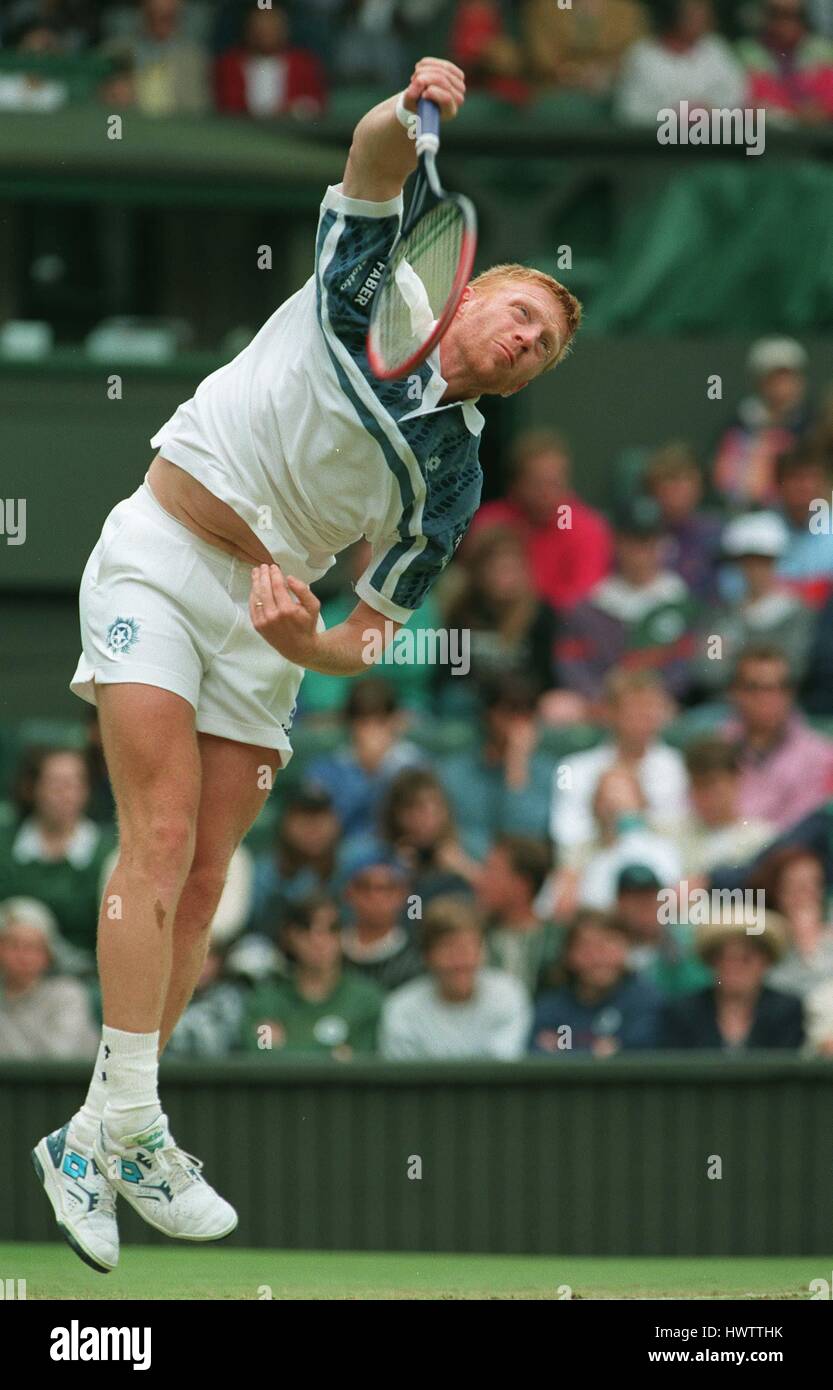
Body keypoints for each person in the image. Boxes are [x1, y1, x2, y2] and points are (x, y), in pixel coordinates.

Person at [36, 56, 583, 1274]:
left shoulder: (452, 481)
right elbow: (374, 159)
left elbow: (362, 641)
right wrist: (406, 106)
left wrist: (304, 645)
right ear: (470, 283)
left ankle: (95, 1134)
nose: (523, 339)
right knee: (160, 839)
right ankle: (132, 1122)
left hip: (265, 627)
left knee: (208, 874)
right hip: (163, 556)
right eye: (518, 312)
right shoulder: (365, 276)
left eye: (541, 347)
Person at [549, 669, 689, 915]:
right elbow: (569, 837)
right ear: (610, 713)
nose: (645, 717)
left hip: (665, 871)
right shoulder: (575, 768)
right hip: (590, 862)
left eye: (651, 708)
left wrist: (638, 810)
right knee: (561, 902)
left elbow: (679, 835)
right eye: (634, 709)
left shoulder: (679, 767)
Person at [551, 495, 699, 708]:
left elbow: (688, 665)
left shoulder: (684, 603)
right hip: (599, 704)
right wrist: (599, 698)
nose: (640, 551)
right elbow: (570, 662)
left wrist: (652, 698)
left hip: (662, 706)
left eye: (648, 541)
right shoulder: (589, 606)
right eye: (632, 540)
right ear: (616, 542)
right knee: (558, 707)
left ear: (661, 543)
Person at [468, 428, 612, 612]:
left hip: (558, 626)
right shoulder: (492, 521)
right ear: (516, 484)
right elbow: (471, 584)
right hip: (492, 618)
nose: (547, 493)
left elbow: (583, 598)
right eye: (537, 483)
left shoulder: (586, 527)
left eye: (555, 483)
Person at [380, 895, 531, 1059]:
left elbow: (499, 1069)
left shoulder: (508, 994)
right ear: (427, 956)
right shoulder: (401, 1009)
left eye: (469, 949)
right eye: (449, 950)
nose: (460, 962)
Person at [0, 746, 114, 962]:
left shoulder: (108, 853)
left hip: (84, 978)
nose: (65, 794)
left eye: (74, 784)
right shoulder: (4, 845)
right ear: (32, 788)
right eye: (55, 784)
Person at [689, 510, 815, 697]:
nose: (755, 569)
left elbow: (794, 669)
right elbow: (707, 670)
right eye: (748, 561)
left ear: (775, 562)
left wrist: (732, 657)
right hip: (725, 707)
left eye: (763, 561)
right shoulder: (720, 615)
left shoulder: (798, 614)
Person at [241, 895, 383, 1060]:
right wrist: (332, 1055)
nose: (319, 940)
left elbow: (361, 1069)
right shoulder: (264, 1000)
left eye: (332, 929)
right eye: (307, 929)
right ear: (289, 936)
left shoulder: (366, 1000)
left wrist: (283, 1047)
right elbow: (261, 1056)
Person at [439, 675, 556, 860]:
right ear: (488, 714)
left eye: (527, 713)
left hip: (524, 879)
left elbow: (529, 841)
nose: (519, 723)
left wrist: (516, 768)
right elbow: (452, 840)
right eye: (511, 711)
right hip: (470, 872)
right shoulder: (454, 773)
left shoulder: (550, 773)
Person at [724, 644, 833, 831]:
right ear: (735, 693)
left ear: (790, 693)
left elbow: (806, 827)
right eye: (755, 687)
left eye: (778, 687)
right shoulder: (716, 746)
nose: (767, 697)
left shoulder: (820, 755)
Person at [305, 678, 423, 844]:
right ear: (350, 724)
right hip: (345, 854)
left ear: (395, 721)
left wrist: (379, 769)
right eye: (363, 722)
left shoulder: (415, 765)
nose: (370, 732)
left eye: (379, 722)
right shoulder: (326, 769)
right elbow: (324, 831)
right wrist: (366, 770)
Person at [530, 910, 663, 1056]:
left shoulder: (647, 1002)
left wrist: (564, 1050)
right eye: (588, 948)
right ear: (569, 955)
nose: (599, 958)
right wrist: (597, 1051)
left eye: (608, 947)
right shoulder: (550, 1006)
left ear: (627, 950)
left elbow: (637, 1055)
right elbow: (537, 1056)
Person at [662, 913, 804, 1049]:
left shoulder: (787, 1011)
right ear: (712, 962)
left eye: (745, 959)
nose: (733, 967)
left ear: (765, 962)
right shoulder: (684, 1013)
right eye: (724, 958)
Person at [711, 337, 811, 510]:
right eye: (775, 378)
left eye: (788, 377)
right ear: (759, 381)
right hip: (744, 512)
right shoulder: (738, 425)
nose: (782, 386)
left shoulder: (813, 425)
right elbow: (722, 477)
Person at [615, 0, 745, 125]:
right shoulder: (643, 56)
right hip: (657, 143)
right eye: (693, 12)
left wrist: (709, 112)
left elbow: (737, 99)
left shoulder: (716, 49)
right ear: (673, 14)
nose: (702, 17)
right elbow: (629, 111)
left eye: (703, 11)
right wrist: (674, 115)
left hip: (714, 140)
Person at [0, 898, 98, 1060]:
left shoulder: (67, 995)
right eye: (13, 945)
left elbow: (57, 1060)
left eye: (32, 947)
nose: (23, 956)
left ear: (48, 954)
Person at [674, 738, 774, 878]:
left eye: (712, 785)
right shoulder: (672, 834)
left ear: (735, 781)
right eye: (697, 786)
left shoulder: (762, 839)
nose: (705, 796)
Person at [477, 835, 562, 994]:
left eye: (491, 871)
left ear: (521, 884)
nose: (481, 880)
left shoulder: (560, 941)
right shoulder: (475, 937)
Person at [213, 4, 326, 119]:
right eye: (259, 28)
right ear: (248, 30)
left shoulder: (303, 64)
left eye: (271, 27)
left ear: (283, 29)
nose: (264, 34)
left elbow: (315, 104)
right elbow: (226, 105)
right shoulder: (230, 64)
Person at [642, 442, 723, 601]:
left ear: (699, 486)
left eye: (685, 480)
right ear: (653, 488)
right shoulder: (638, 534)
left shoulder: (716, 535)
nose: (677, 490)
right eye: (670, 480)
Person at [750, 845, 833, 997]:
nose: (808, 894)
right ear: (776, 891)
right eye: (797, 886)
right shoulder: (760, 938)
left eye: (815, 884)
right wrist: (805, 945)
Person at [340, 848, 424, 992]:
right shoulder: (330, 950)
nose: (375, 897)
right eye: (364, 887)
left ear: (403, 895)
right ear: (348, 893)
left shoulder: (417, 957)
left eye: (387, 888)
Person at [738, 0, 833, 124]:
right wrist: (795, 113)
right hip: (772, 135)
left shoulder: (822, 50)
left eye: (795, 15)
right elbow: (755, 101)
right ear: (765, 17)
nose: (787, 22)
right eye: (777, 14)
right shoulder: (747, 51)